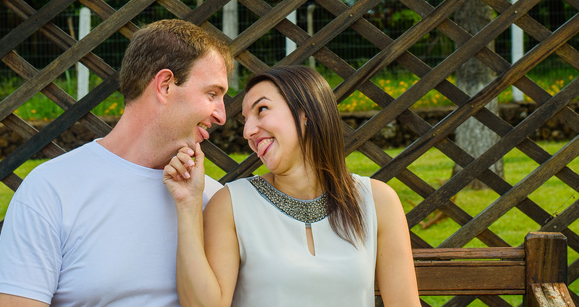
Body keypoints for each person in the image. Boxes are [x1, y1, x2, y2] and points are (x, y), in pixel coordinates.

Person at [0, 19, 233, 307]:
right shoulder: (51, 189)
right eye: (212, 94)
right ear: (165, 85)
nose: (222, 116)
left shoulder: (213, 201)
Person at [163, 66, 419, 307]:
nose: (248, 131)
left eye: (261, 109)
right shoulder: (232, 203)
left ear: (306, 113)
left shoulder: (377, 202)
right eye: (245, 121)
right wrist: (188, 205)